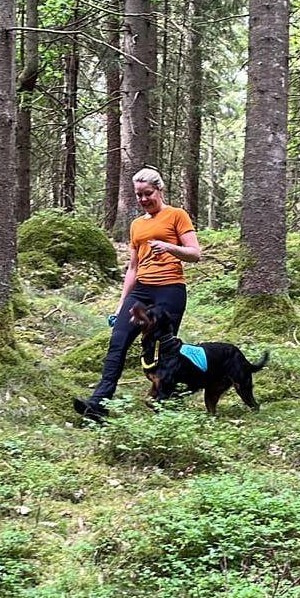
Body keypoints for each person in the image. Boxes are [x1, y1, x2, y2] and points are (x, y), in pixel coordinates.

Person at [73, 167, 203, 421]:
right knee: (118, 342)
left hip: (170, 289)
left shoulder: (177, 215)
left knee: (162, 349)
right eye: (139, 195)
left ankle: (165, 402)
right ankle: (98, 404)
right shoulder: (136, 225)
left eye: (148, 194)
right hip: (142, 290)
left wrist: (168, 246)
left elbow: (195, 253)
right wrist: (122, 304)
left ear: (159, 190)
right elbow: (133, 267)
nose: (143, 200)